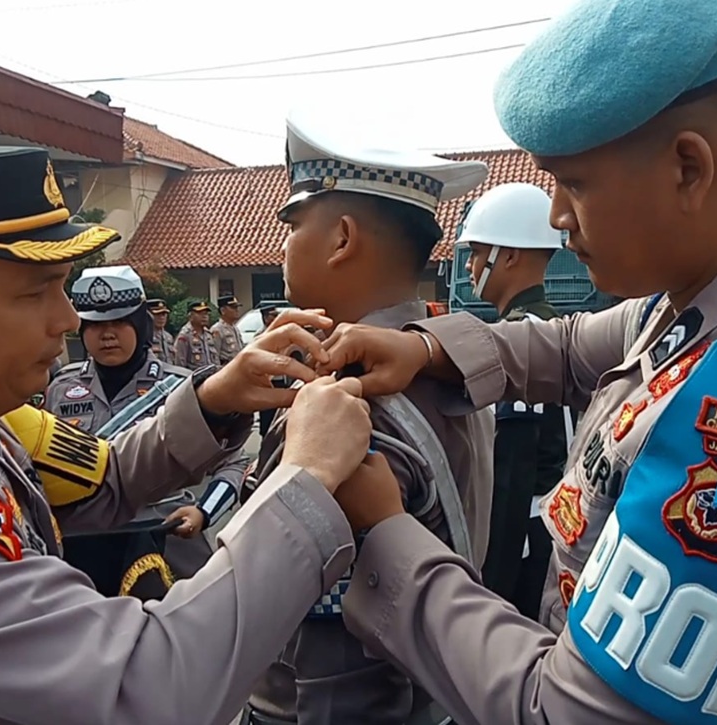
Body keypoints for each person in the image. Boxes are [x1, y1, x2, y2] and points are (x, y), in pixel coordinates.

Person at [318, 2, 717, 723]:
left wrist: (387, 530)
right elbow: (573, 346)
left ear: (688, 168)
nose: (555, 218)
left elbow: (572, 712)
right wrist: (422, 345)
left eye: (573, 184)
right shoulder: (715, 295)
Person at [0, 145, 381, 725]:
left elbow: (103, 480)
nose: (69, 320)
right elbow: (149, 687)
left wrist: (214, 399)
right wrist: (306, 478)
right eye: (36, 292)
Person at [242, 116, 495, 725]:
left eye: (293, 227)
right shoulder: (438, 360)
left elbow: (339, 657)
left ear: (341, 239)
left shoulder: (348, 404)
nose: (282, 248)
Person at [45, 265, 245, 595]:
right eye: (95, 324)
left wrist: (204, 511)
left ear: (140, 323)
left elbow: (234, 462)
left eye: (119, 321)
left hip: (164, 533)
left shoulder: (180, 387)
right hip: (82, 544)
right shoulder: (61, 389)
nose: (107, 334)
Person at [456, 182, 573, 621]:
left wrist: (492, 583)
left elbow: (513, 472)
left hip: (525, 540)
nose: (470, 266)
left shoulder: (518, 339)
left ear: (508, 256)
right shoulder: (555, 327)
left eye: (477, 253)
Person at [256, 301, 287, 437]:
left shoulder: (281, 333)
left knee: (279, 413)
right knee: (267, 415)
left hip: (281, 377)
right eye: (272, 316)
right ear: (266, 317)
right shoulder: (260, 336)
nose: (275, 318)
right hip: (268, 380)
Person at [175, 299, 218, 368]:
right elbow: (180, 364)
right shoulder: (185, 336)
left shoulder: (208, 335)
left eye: (206, 313)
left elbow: (216, 360)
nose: (204, 316)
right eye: (200, 313)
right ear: (190, 316)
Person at [212, 294, 246, 364]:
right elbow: (215, 356)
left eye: (237, 307)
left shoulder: (235, 328)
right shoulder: (217, 329)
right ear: (223, 310)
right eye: (233, 307)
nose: (237, 310)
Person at [147, 297, 176, 363]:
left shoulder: (169, 337)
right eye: (157, 314)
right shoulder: (144, 337)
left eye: (164, 314)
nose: (161, 318)